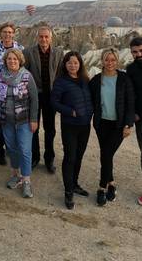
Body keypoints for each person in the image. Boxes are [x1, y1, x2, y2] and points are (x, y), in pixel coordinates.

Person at [89, 48, 134, 206]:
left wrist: (128, 124)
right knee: (106, 154)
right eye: (107, 60)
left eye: (113, 60)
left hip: (118, 124)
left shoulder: (124, 79)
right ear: (102, 61)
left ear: (117, 61)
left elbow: (130, 103)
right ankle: (112, 183)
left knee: (106, 155)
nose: (110, 63)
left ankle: (102, 187)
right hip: (101, 124)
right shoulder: (96, 80)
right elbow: (89, 100)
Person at [0, 48, 38, 199]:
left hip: (24, 120)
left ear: (20, 61)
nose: (12, 61)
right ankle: (15, 174)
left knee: (25, 150)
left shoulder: (26, 76)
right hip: (6, 120)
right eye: (9, 59)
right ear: (5, 61)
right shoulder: (0, 77)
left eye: (15, 59)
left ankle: (26, 181)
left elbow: (34, 99)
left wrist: (33, 119)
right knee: (11, 149)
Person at [51, 51, 93, 210]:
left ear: (80, 64)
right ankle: (68, 191)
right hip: (70, 125)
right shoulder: (61, 81)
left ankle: (74, 184)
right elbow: (54, 102)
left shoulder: (85, 80)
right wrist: (70, 111)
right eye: (69, 63)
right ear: (65, 64)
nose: (73, 65)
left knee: (79, 156)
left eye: (75, 63)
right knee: (70, 157)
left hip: (85, 125)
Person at [23, 26, 63, 173]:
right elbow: (24, 73)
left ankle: (49, 159)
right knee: (33, 128)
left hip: (51, 96)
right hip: (34, 95)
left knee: (50, 129)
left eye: (46, 37)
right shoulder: (28, 52)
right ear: (37, 37)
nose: (43, 39)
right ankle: (35, 157)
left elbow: (60, 74)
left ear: (51, 38)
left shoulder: (58, 53)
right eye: (41, 37)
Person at [0, 22, 24, 165]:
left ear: (13, 33)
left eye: (10, 32)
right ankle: (0, 150)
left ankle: (12, 148)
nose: (7, 34)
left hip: (14, 88)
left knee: (14, 118)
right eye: (5, 32)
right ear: (0, 33)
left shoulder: (19, 48)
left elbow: (23, 67)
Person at [126, 37, 142, 206]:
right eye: (135, 52)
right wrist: (133, 114)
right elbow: (131, 95)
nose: (138, 54)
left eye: (141, 51)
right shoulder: (131, 69)